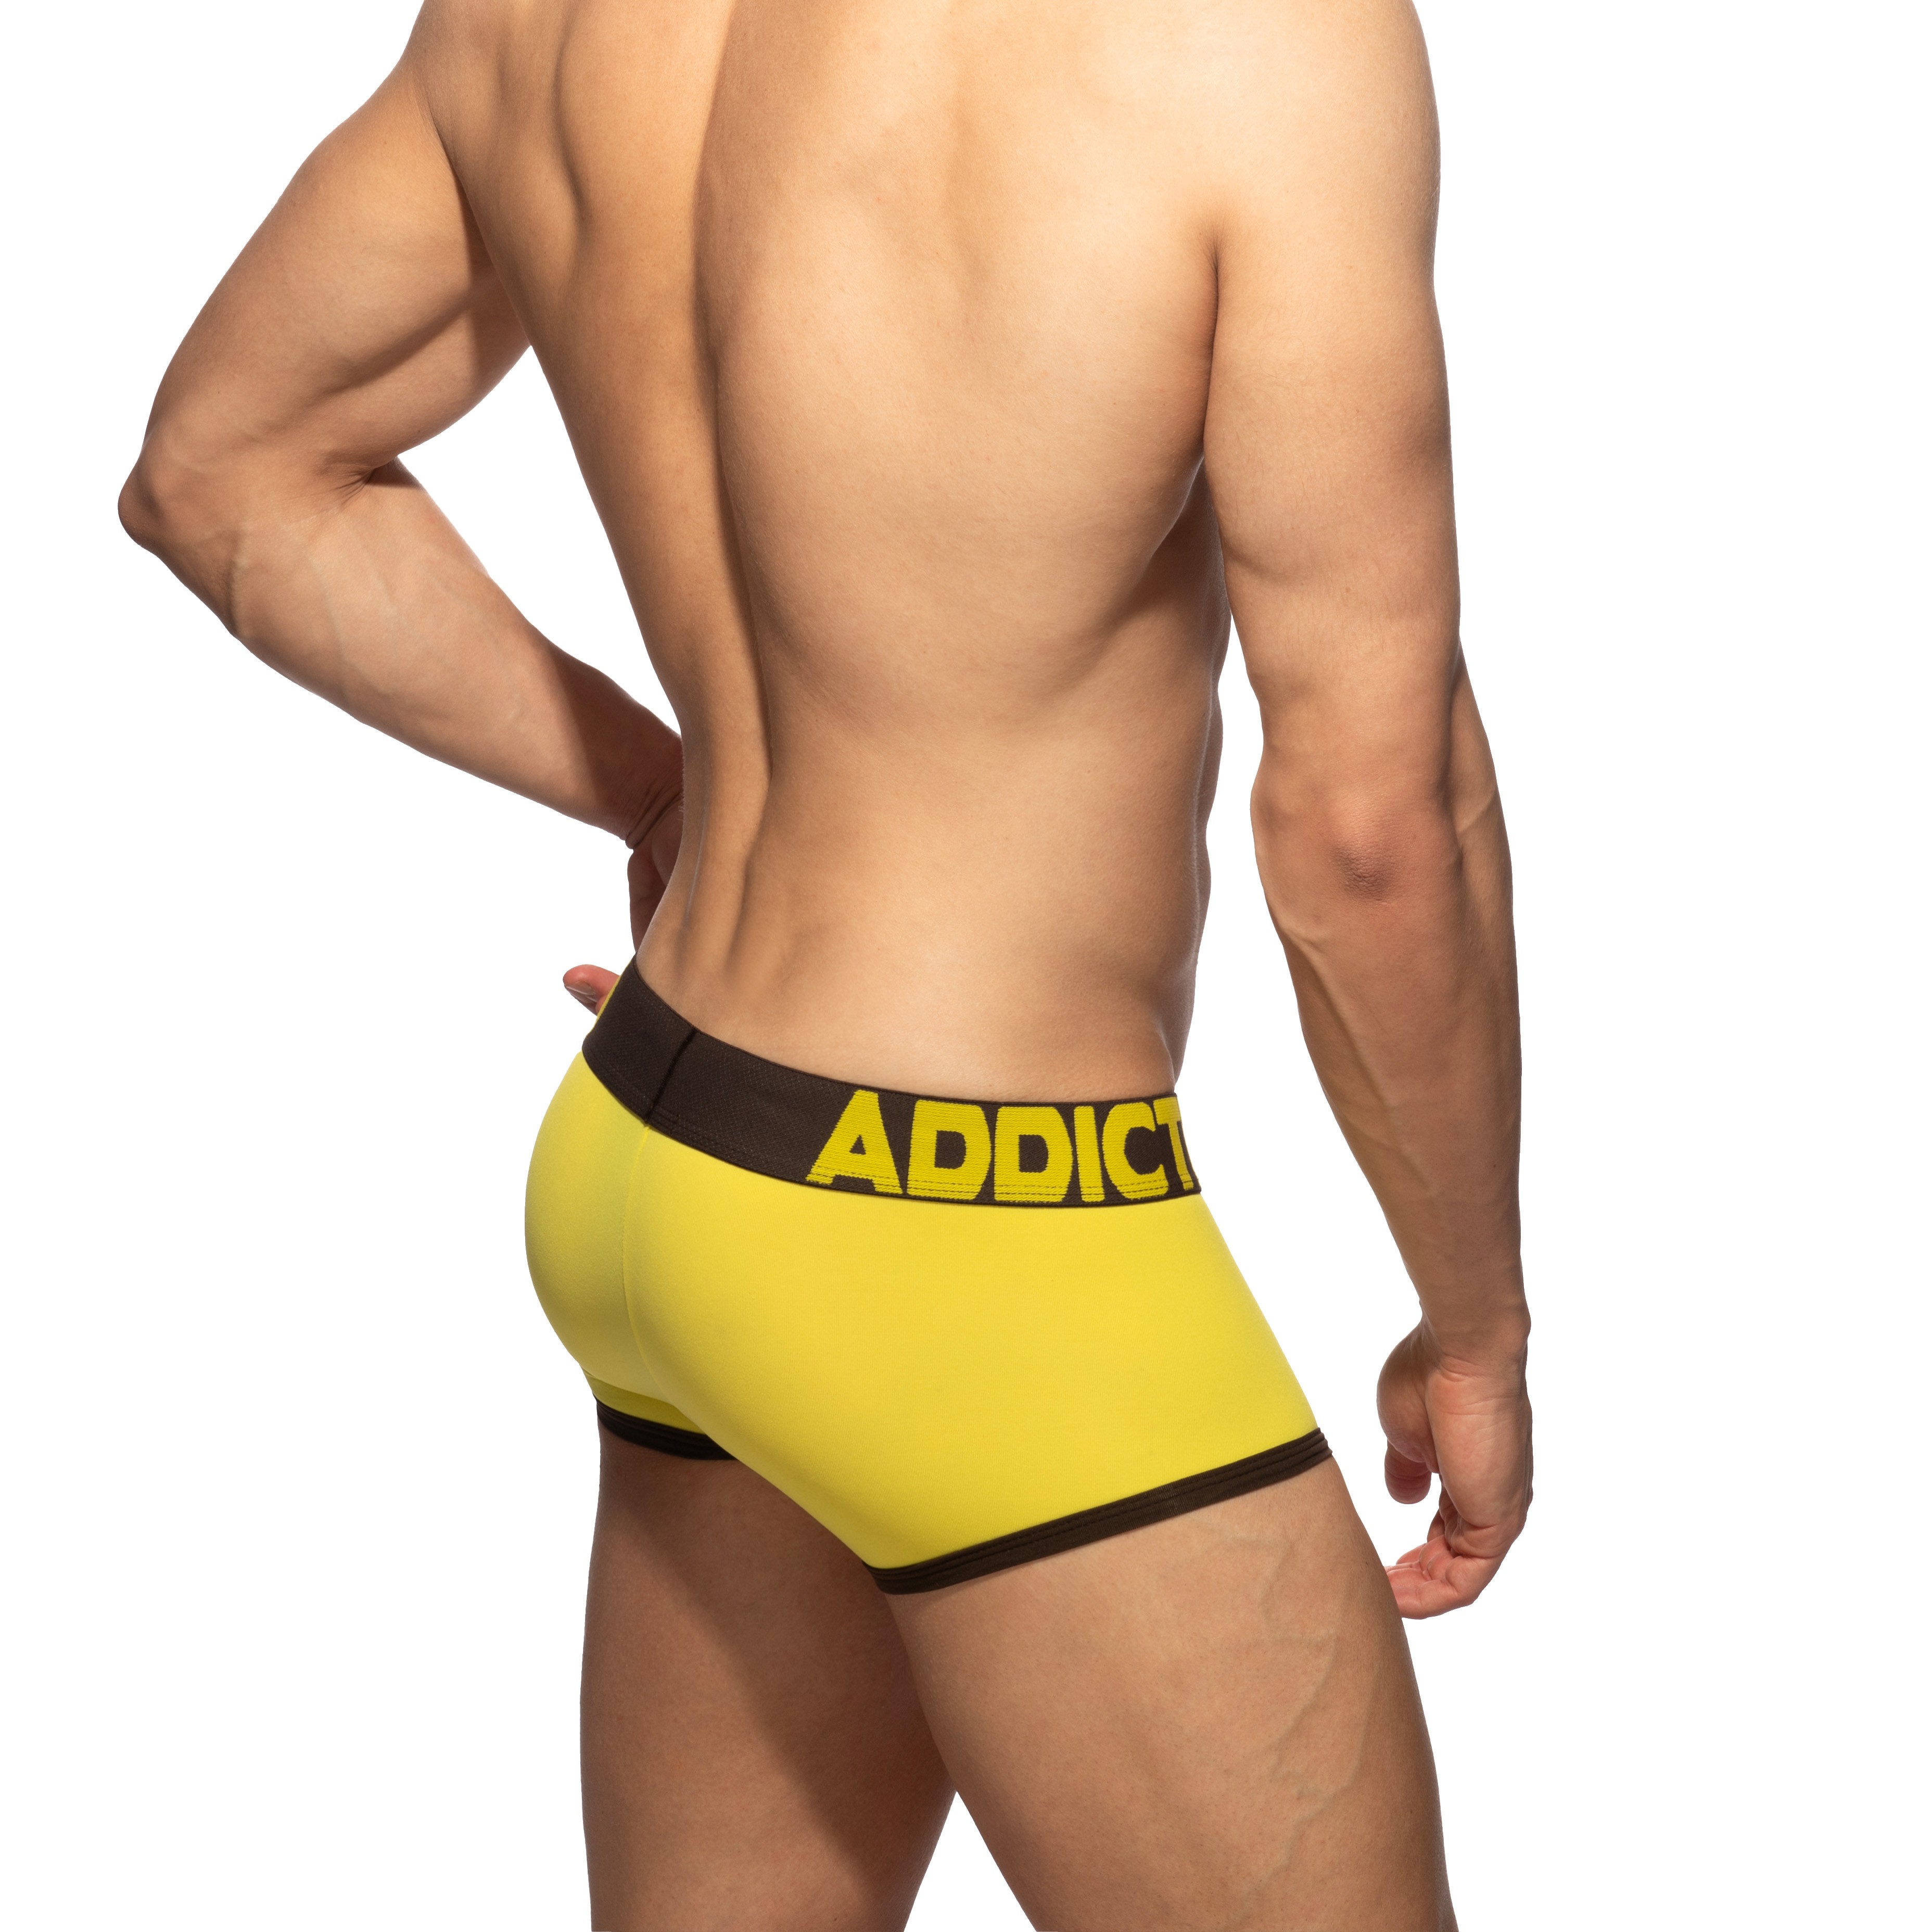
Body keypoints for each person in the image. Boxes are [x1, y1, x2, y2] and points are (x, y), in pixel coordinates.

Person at [120, 0, 1531, 1923]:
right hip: (976, 1227)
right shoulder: (1249, 43)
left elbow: (219, 471)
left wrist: (669, 796)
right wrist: (1474, 1322)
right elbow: (1372, 830)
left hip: (664, 1142)